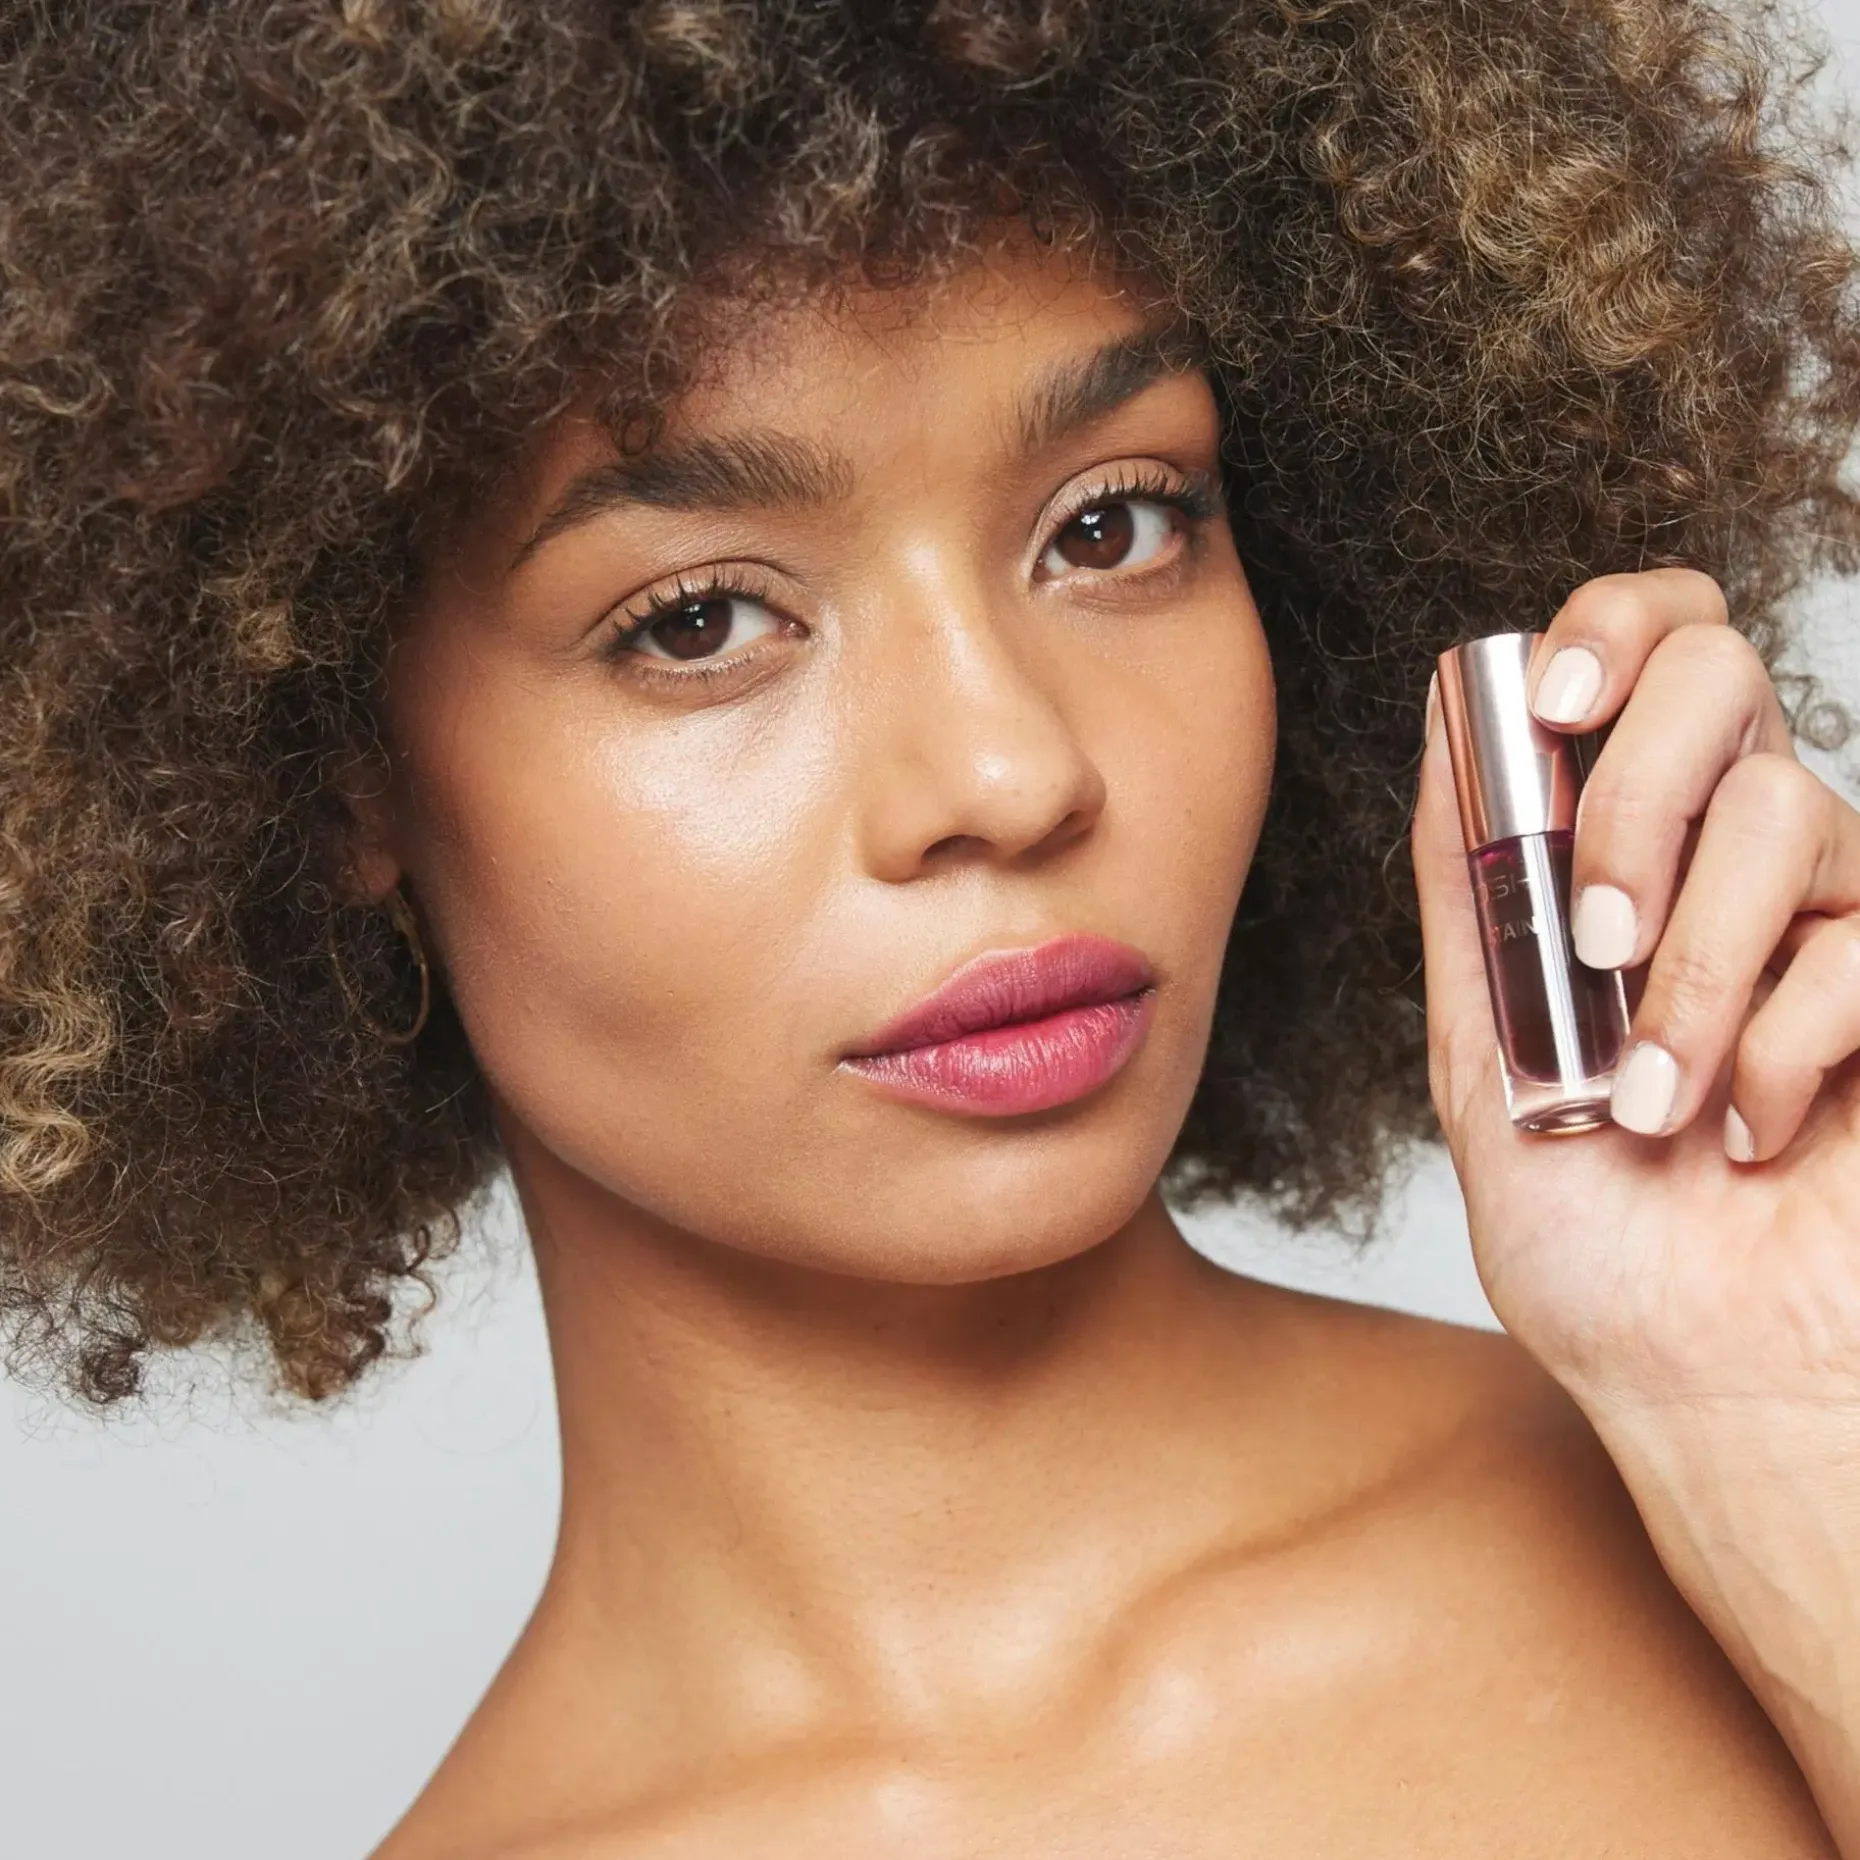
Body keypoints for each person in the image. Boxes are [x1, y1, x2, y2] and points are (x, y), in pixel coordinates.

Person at [5, 0, 1860, 1852]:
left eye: (1113, 527)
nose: (1010, 769)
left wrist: (1785, 1439)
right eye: (700, 622)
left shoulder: (1758, 1506)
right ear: (331, 770)